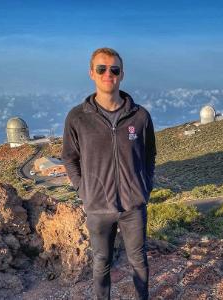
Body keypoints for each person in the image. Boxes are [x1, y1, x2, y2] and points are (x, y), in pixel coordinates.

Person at [62, 47, 156, 300]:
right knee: (101, 262)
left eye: (114, 69)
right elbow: (70, 158)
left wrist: (144, 188)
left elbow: (149, 156)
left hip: (133, 207)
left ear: (121, 74)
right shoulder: (77, 118)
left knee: (138, 260)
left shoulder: (140, 116)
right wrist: (84, 190)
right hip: (97, 208)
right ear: (92, 73)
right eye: (101, 69)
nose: (108, 74)